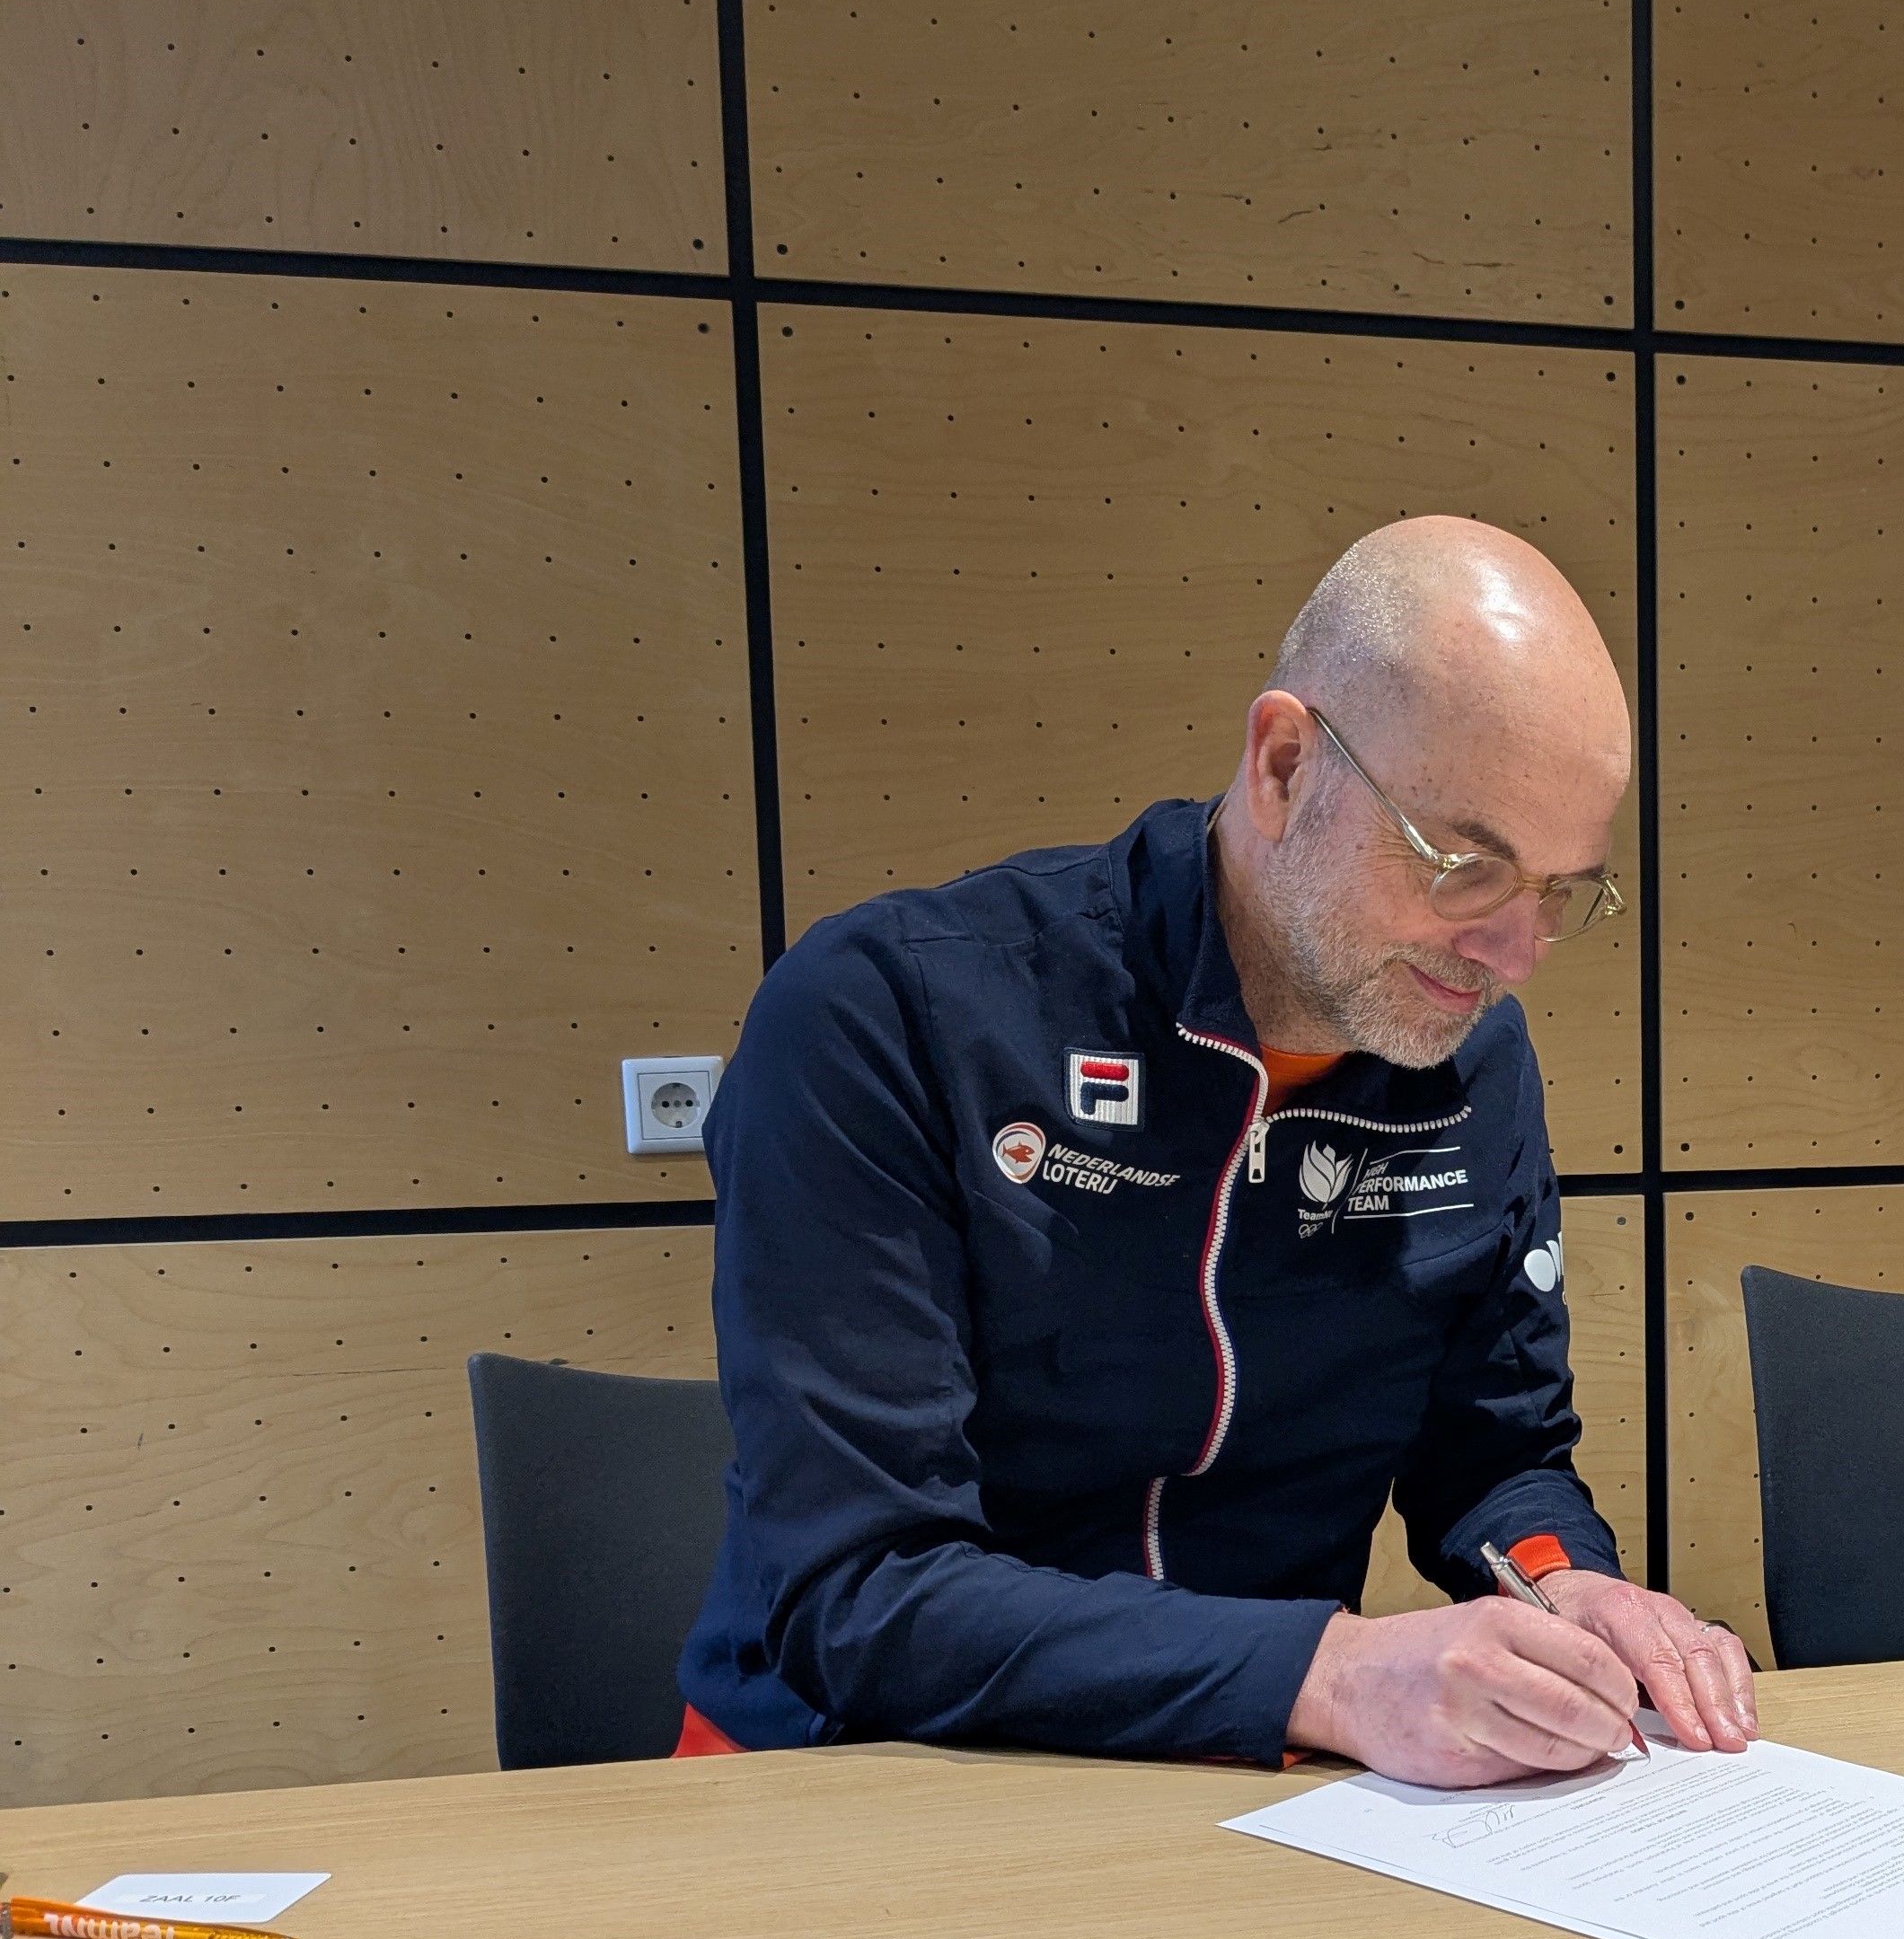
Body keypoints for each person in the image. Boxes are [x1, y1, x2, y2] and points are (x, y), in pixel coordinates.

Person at [681, 517, 1755, 1785]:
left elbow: (1495, 1459)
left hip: (1254, 1777)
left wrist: (1562, 1584)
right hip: (855, 1773)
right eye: (1466, 868)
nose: (1513, 956)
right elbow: (865, 1594)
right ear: (1285, 765)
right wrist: (1332, 1673)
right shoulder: (886, 1017)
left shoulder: (1469, 1066)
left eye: (1562, 893)